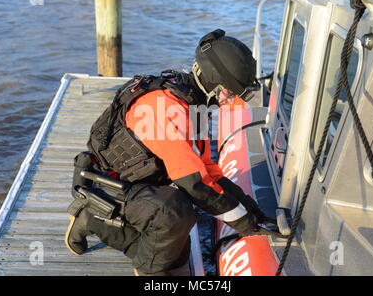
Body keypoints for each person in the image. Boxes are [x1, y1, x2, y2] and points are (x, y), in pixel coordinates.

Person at [65, 29, 283, 276]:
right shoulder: (166, 108)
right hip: (110, 184)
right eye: (230, 93)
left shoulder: (194, 104)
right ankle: (100, 226)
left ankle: (123, 230)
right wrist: (243, 223)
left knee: (178, 252)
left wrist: (253, 212)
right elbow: (193, 183)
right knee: (175, 215)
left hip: (140, 182)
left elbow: (207, 170)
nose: (230, 101)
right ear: (214, 84)